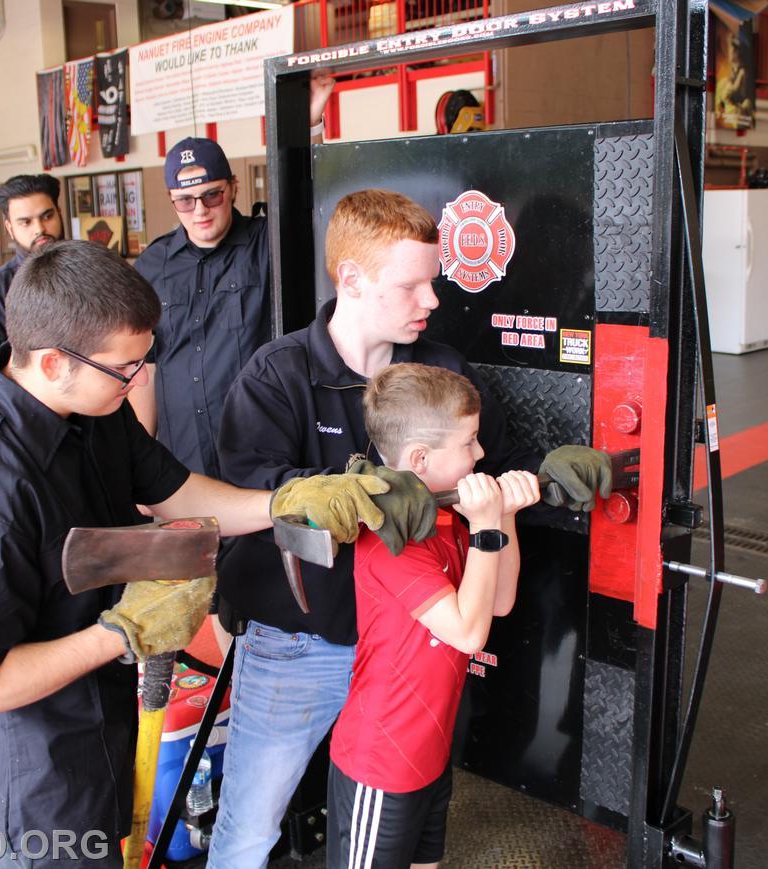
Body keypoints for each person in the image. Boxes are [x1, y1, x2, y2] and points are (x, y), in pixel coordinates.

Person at [0, 239, 423, 869]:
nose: (140, 381)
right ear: (49, 363)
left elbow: (173, 492)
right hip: (37, 762)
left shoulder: (94, 406)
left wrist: (283, 502)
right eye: (125, 368)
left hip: (108, 716)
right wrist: (122, 631)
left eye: (145, 362)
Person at [208, 189, 612, 868]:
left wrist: (548, 481)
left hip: (412, 653)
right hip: (299, 647)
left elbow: (491, 474)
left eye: (434, 280)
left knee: (406, 823)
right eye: (413, 283)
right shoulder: (277, 376)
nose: (432, 299)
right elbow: (252, 498)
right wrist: (347, 494)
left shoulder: (441, 370)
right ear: (352, 280)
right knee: (250, 827)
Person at [326, 363, 539, 868]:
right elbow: (467, 633)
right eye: (468, 443)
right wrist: (487, 529)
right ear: (419, 458)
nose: (481, 454)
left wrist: (503, 517)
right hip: (380, 761)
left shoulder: (446, 518)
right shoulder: (390, 540)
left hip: (429, 754)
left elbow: (500, 601)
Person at [130, 70, 334, 477]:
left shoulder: (267, 244)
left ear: (234, 188)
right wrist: (139, 461)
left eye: (211, 195)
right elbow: (146, 367)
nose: (200, 210)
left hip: (260, 450)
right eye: (185, 201)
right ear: (172, 202)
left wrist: (309, 124)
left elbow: (309, 201)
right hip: (181, 457)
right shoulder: (153, 264)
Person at [0, 174, 64, 377]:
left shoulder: (90, 270)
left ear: (59, 213)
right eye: (26, 222)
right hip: (26, 404)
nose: (40, 229)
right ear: (10, 228)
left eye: (47, 216)